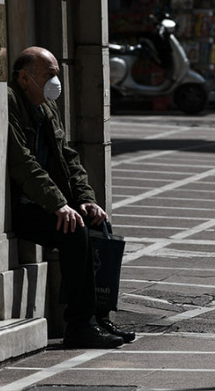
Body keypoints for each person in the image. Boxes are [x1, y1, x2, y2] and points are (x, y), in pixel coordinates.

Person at [7, 46, 135, 348]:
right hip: (20, 205)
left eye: (56, 74)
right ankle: (79, 326)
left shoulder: (45, 107)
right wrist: (58, 204)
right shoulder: (10, 103)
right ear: (24, 78)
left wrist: (85, 198)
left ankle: (98, 316)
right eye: (48, 75)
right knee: (74, 231)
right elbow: (22, 163)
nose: (55, 81)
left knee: (95, 223)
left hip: (48, 200)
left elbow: (68, 158)